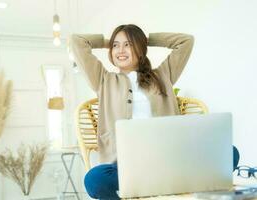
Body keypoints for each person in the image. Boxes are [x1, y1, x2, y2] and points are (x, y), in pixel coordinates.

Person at [69, 24, 238, 199]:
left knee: (229, 152)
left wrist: (145, 40)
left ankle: (187, 188)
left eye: (128, 44)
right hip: (128, 167)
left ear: (140, 48)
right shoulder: (103, 80)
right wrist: (107, 42)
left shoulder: (163, 75)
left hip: (171, 159)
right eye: (116, 45)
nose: (120, 50)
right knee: (95, 179)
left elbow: (185, 41)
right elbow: (76, 41)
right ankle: (179, 185)